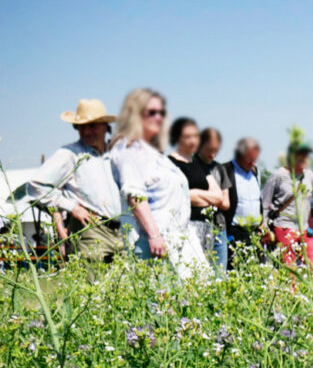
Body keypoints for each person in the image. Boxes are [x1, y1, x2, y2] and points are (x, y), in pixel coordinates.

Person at [109, 88, 209, 279]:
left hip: (176, 241)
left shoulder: (153, 154)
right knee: (160, 304)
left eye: (161, 113)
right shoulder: (128, 150)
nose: (159, 118)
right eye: (151, 112)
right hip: (152, 244)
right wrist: (155, 236)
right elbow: (135, 196)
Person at [26, 99, 124, 262]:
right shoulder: (69, 154)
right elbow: (36, 185)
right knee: (94, 284)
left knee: (125, 284)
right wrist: (73, 208)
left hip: (121, 229)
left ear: (105, 127)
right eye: (81, 126)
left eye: (92, 125)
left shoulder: (115, 154)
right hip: (90, 231)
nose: (86, 131)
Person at [167, 118, 227, 263]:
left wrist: (195, 193)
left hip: (208, 227)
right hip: (187, 226)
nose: (193, 141)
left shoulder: (198, 164)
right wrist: (205, 197)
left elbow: (219, 197)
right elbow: (179, 196)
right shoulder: (170, 163)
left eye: (195, 136)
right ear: (177, 138)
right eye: (188, 137)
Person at [261, 144, 313, 284]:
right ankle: (290, 301)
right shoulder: (278, 175)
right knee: (289, 271)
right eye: (301, 155)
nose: (304, 158)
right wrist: (264, 229)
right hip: (283, 227)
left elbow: (308, 204)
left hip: (304, 229)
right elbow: (265, 203)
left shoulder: (310, 176)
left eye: (306, 155)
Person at [220, 137, 262, 268]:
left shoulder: (255, 172)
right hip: (235, 232)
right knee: (235, 270)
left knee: (256, 272)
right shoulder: (225, 170)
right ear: (240, 155)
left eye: (255, 159)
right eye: (250, 159)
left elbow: (258, 199)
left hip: (255, 232)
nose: (253, 163)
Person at [195, 127, 232, 271]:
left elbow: (225, 203)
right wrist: (215, 197)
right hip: (197, 225)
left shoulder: (219, 168)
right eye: (209, 150)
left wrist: (201, 195)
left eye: (216, 150)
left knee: (219, 272)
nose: (213, 154)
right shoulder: (191, 166)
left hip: (219, 227)